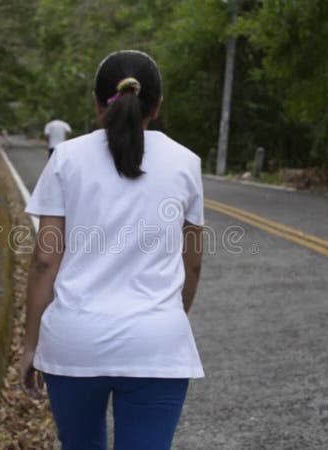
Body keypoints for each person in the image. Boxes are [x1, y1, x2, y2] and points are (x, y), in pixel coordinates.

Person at [21, 50, 204, 450]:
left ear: (98, 103)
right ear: (156, 107)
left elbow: (44, 261)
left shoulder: (65, 158)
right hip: (157, 343)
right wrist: (165, 319)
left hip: (74, 343)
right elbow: (192, 265)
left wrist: (30, 343)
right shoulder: (186, 163)